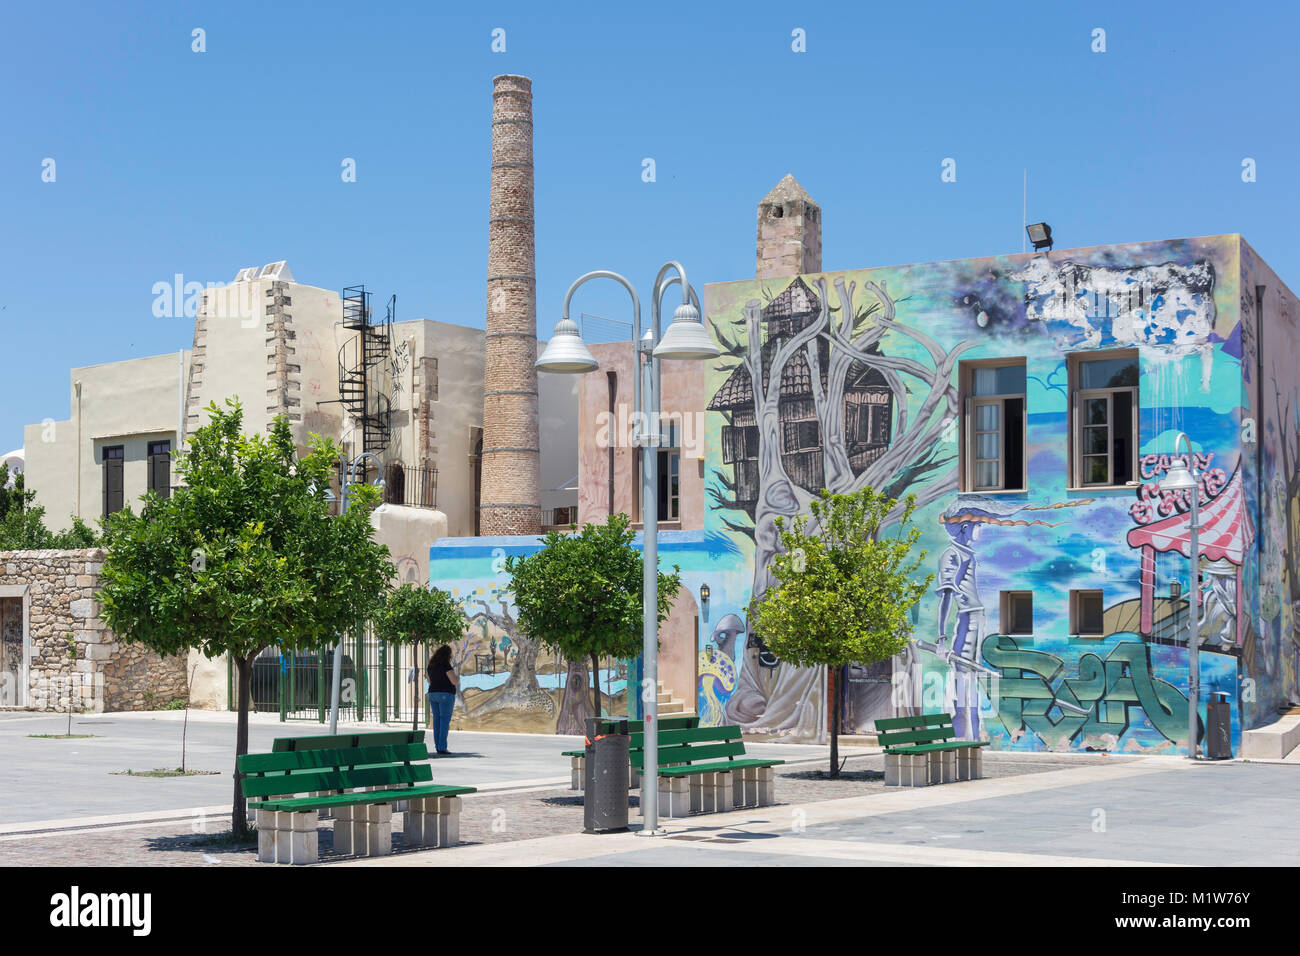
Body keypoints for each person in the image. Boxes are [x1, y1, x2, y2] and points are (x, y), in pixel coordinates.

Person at [426, 645, 459, 755]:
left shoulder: (430, 665)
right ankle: (442, 747)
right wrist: (458, 677)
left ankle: (438, 746)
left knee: (436, 721)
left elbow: (429, 681)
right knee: (444, 721)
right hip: (445, 694)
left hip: (433, 693)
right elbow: (454, 681)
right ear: (447, 655)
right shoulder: (445, 665)